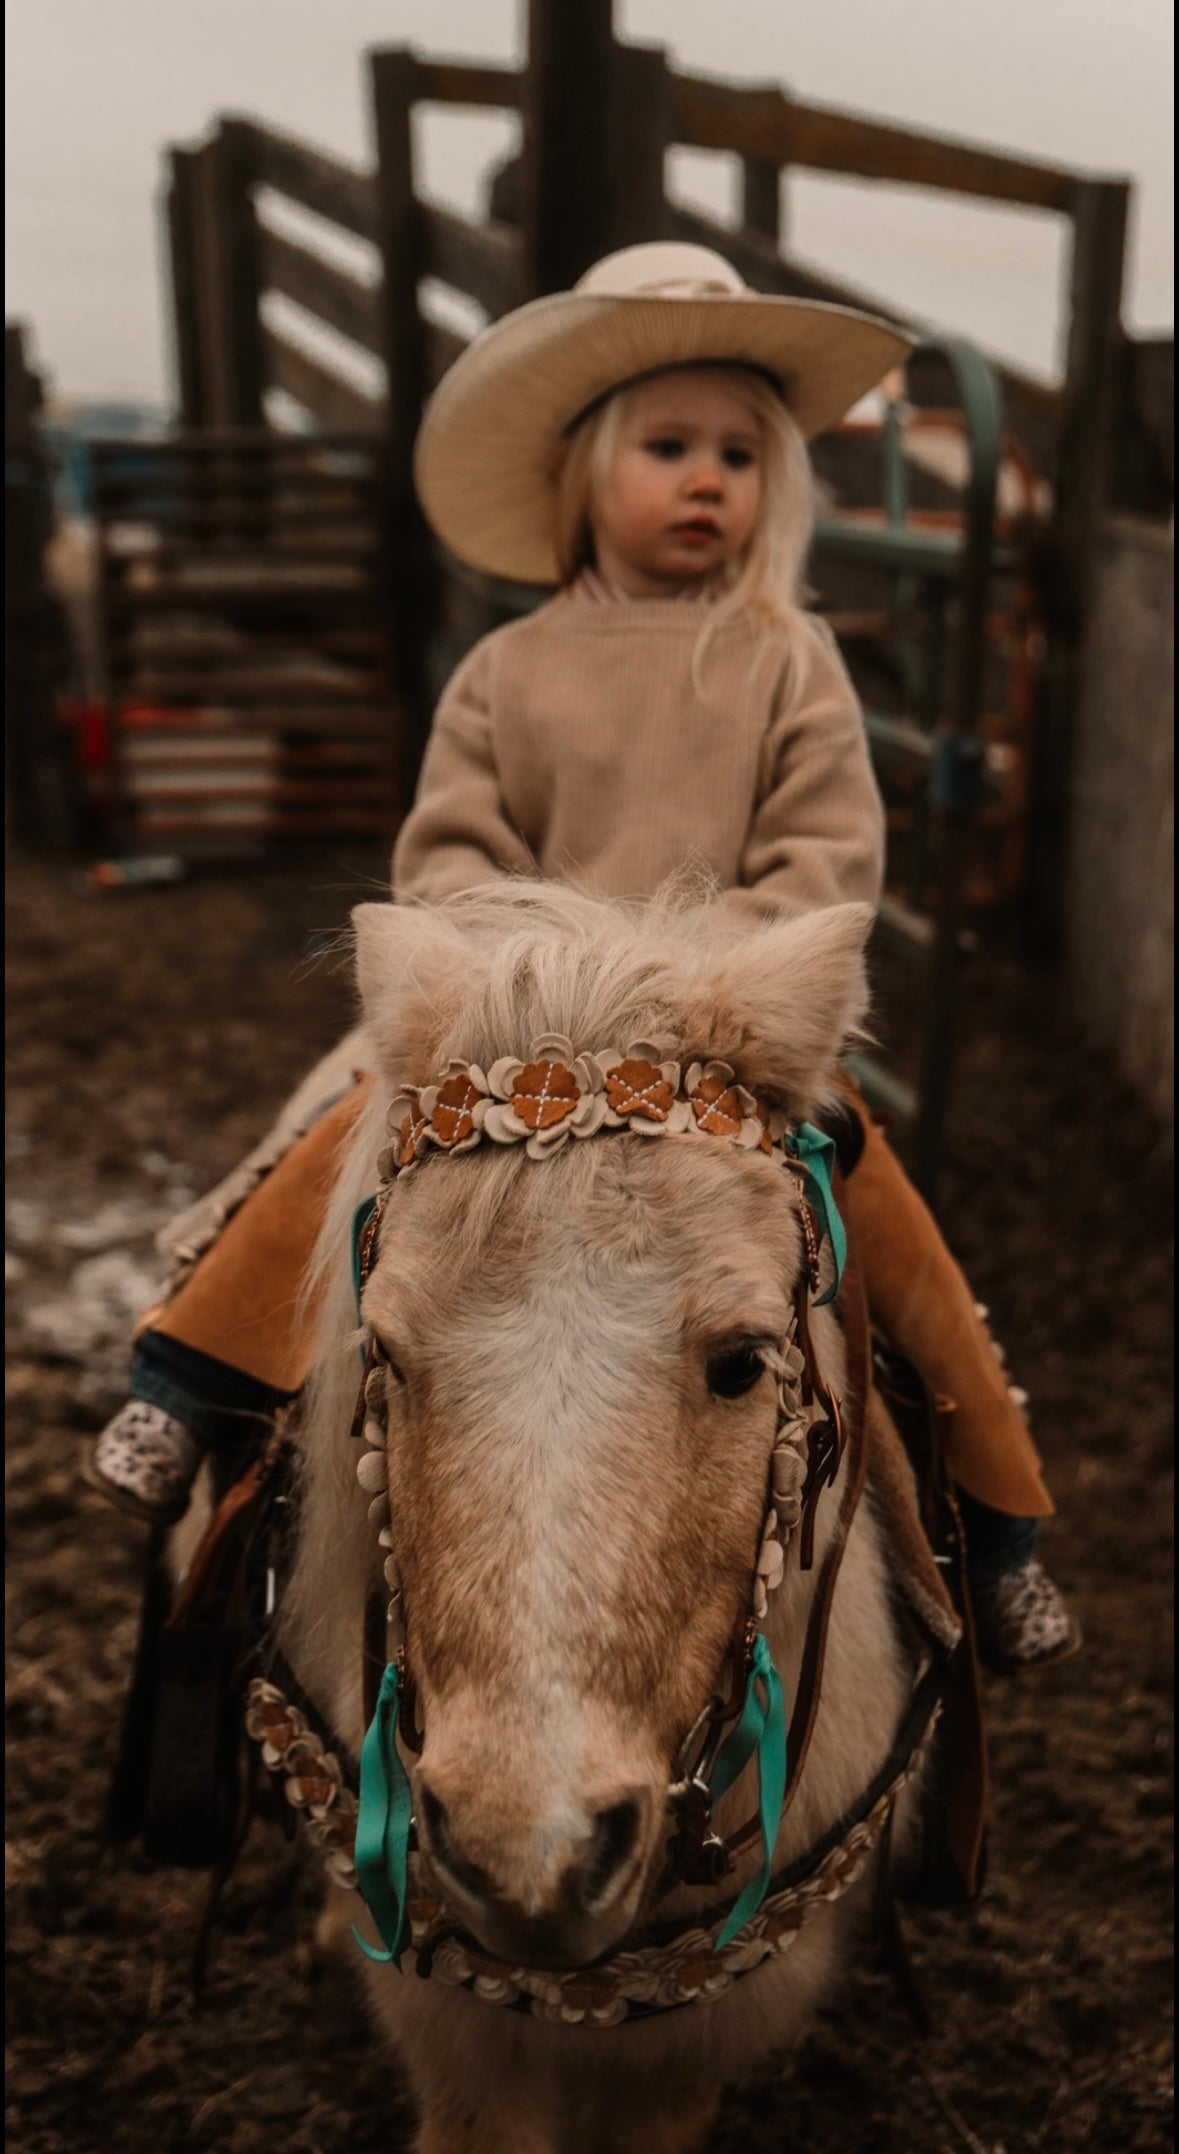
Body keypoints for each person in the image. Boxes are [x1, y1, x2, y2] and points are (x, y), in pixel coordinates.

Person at [86, 242, 1078, 1674]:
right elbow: (448, 863)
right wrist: (528, 978)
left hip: (724, 1041)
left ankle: (995, 1528)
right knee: (329, 1137)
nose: (708, 479)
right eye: (669, 446)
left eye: (740, 453)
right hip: (515, 1035)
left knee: (882, 1214)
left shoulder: (789, 665)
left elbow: (823, 868)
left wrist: (701, 993)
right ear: (583, 471)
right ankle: (190, 1377)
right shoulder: (507, 674)